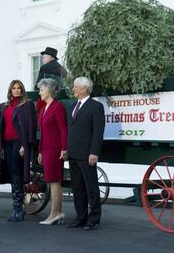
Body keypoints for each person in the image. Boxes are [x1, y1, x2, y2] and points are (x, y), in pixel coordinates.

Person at [66, 77, 105, 231]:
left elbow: (98, 132)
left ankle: (94, 218)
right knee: (77, 188)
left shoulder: (96, 107)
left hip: (87, 154)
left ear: (84, 89)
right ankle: (80, 217)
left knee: (91, 188)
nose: (73, 89)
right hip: (73, 154)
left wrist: (94, 152)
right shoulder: (72, 106)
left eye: (76, 87)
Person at [0, 80, 37, 222]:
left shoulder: (27, 105)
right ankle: (16, 208)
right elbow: (1, 127)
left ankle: (18, 210)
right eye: (14, 88)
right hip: (6, 144)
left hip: (18, 144)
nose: (16, 90)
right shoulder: (5, 106)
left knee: (17, 176)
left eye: (18, 88)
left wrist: (24, 145)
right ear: (10, 90)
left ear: (22, 90)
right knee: (11, 176)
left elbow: (31, 126)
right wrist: (0, 147)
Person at [37, 78, 67, 225]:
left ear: (50, 90)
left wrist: (64, 148)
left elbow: (63, 129)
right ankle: (58, 212)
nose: (39, 92)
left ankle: (55, 213)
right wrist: (41, 151)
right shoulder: (44, 108)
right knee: (51, 181)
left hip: (55, 149)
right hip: (46, 149)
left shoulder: (58, 107)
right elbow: (42, 132)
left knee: (54, 182)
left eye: (42, 89)